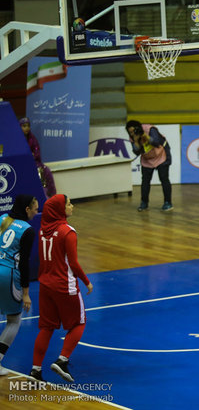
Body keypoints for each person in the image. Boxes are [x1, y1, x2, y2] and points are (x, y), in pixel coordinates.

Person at [30, 194, 93, 382]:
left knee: (47, 327)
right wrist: (86, 281)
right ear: (59, 209)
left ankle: (35, 371)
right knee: (79, 322)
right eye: (68, 203)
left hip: (45, 285)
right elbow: (73, 263)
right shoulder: (68, 231)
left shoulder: (43, 230)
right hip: (64, 285)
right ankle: (62, 360)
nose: (72, 206)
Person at [0, 195, 38, 375]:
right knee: (14, 320)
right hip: (8, 275)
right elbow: (23, 264)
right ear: (27, 210)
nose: (37, 212)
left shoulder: (2, 219)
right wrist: (26, 293)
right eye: (35, 209)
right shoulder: (28, 230)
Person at [126, 120, 173, 212]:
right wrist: (135, 141)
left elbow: (156, 142)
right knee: (145, 181)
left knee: (164, 179)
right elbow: (136, 152)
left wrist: (144, 136)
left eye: (133, 131)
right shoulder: (132, 137)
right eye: (130, 132)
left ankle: (168, 202)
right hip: (147, 158)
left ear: (138, 128)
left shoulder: (150, 129)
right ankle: (144, 203)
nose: (132, 133)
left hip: (161, 155)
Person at [19, 117, 56, 198]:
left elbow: (37, 152)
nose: (27, 128)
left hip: (34, 162)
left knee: (45, 170)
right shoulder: (17, 139)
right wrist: (27, 156)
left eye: (28, 126)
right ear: (20, 127)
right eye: (24, 126)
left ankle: (48, 196)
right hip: (22, 164)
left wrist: (32, 156)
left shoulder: (32, 138)